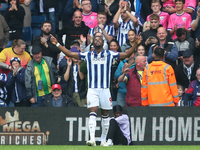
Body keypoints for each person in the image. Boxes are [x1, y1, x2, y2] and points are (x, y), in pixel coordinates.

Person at [50, 31, 141, 146]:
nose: (97, 40)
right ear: (92, 43)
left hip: (104, 89)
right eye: (95, 39)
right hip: (92, 89)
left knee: (105, 114)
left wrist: (136, 44)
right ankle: (92, 139)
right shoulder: (87, 55)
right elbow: (70, 53)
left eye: (100, 39)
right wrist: (57, 44)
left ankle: (103, 139)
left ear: (103, 43)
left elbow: (126, 54)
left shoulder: (110, 54)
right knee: (92, 112)